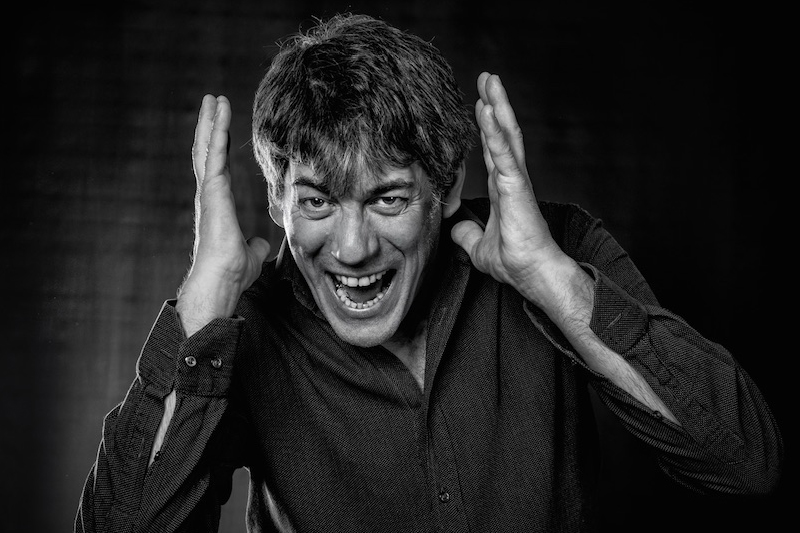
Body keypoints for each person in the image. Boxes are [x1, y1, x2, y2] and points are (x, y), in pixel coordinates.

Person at [75, 13, 783, 533]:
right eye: (317, 201)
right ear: (277, 199)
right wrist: (201, 310)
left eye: (387, 198)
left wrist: (549, 279)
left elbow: (745, 463)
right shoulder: (246, 326)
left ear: (445, 189)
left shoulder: (560, 250)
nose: (352, 247)